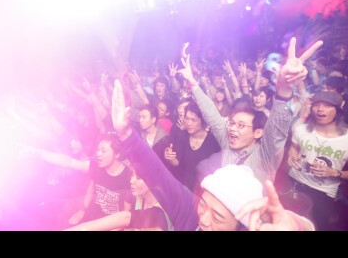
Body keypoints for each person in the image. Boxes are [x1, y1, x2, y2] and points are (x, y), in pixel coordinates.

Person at [111, 79, 314, 231]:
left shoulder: (265, 156)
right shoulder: (192, 216)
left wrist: (296, 225)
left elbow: (276, 134)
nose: (204, 220)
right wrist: (126, 134)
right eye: (202, 204)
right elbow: (159, 175)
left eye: (217, 217)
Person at [180, 37, 323, 185]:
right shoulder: (227, 141)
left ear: (258, 133)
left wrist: (284, 88)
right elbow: (211, 114)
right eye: (232, 123)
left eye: (241, 125)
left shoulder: (266, 154)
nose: (232, 128)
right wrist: (192, 82)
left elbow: (277, 128)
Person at [287, 91, 348, 230]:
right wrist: (292, 156)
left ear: (338, 110)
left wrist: (334, 172)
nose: (320, 109)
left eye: (327, 105)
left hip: (323, 191)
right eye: (317, 105)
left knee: (317, 226)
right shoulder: (301, 129)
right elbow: (294, 147)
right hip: (295, 182)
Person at [65, 165, 172, 231]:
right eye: (132, 175)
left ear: (154, 181)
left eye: (138, 178)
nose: (131, 181)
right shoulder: (137, 197)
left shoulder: (159, 213)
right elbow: (124, 222)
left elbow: (125, 218)